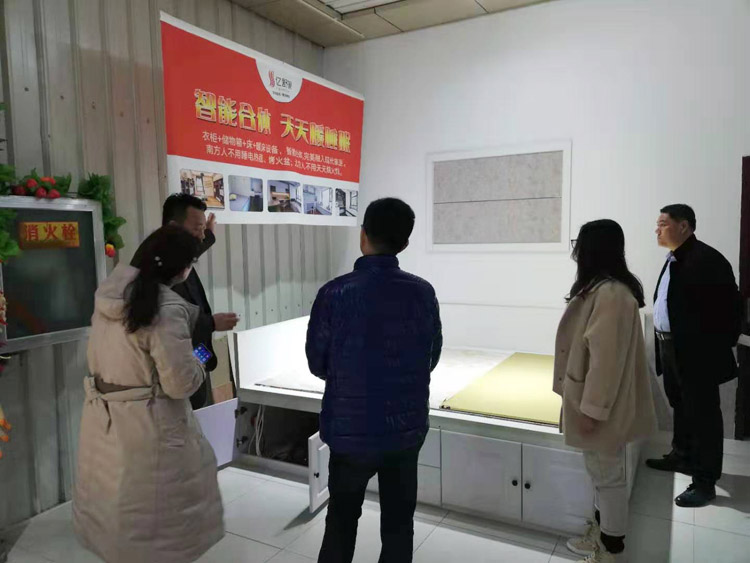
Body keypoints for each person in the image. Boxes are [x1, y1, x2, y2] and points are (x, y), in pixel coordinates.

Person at [74, 225, 224, 563]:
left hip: (103, 420)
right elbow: (180, 383)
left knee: (115, 510)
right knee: (159, 526)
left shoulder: (109, 296)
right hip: (149, 425)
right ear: (181, 269)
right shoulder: (167, 308)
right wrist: (200, 357)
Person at [306, 198, 442, 563]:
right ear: (406, 243)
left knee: (340, 523)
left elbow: (317, 362)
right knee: (399, 525)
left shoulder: (333, 293)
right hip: (404, 433)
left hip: (349, 433)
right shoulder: (423, 292)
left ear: (363, 235)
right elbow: (431, 357)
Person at [554, 220, 657, 563]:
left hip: (599, 407)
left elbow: (605, 362)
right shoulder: (605, 289)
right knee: (602, 474)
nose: (576, 250)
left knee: (608, 477)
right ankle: (601, 536)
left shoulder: (610, 294)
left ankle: (610, 550)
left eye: (579, 242)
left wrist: (592, 411)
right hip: (597, 402)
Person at [646, 204, 741, 507]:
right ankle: (682, 456)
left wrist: (709, 349)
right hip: (670, 348)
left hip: (696, 354)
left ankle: (704, 481)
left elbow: (731, 311)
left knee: (704, 416)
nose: (657, 229)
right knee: (681, 406)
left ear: (684, 226)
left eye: (663, 223)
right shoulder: (674, 258)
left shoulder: (707, 259)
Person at [132, 193, 239, 410]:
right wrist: (211, 324)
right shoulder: (157, 274)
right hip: (178, 381)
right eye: (197, 229)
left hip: (193, 365)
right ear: (174, 228)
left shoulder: (167, 256)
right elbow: (169, 323)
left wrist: (208, 234)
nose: (201, 237)